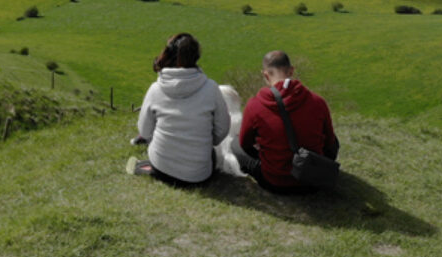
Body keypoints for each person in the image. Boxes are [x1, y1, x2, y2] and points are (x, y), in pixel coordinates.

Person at [232, 50, 339, 193]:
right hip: (313, 179)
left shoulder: (254, 105)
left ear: (265, 75)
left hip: (275, 182)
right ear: (291, 71)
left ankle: (271, 165)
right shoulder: (318, 102)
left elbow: (245, 144)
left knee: (235, 144)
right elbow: (330, 143)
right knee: (334, 140)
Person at [135, 33, 231, 187]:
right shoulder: (211, 88)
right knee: (211, 155)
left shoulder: (155, 89)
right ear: (196, 57)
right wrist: (203, 141)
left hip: (161, 168)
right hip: (198, 175)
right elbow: (222, 130)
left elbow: (144, 132)